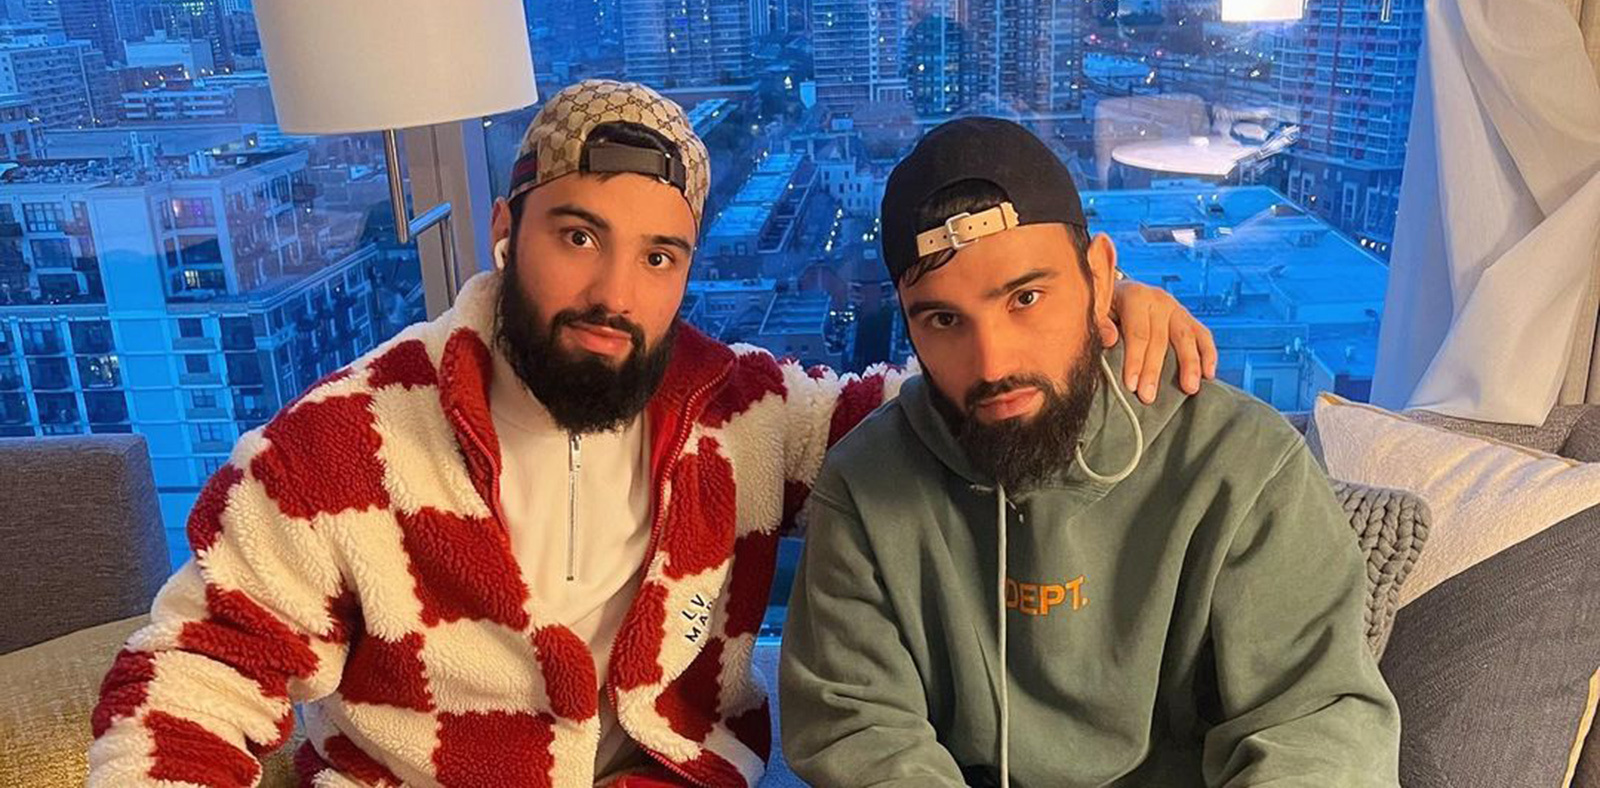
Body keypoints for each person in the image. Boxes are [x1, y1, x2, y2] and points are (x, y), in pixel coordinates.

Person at [88, 82, 1215, 788]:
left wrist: (1096, 315)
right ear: (505, 227)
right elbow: (193, 676)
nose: (613, 293)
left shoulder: (744, 417)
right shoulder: (341, 447)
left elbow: (952, 400)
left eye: (658, 256)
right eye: (578, 236)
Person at [779, 116, 1402, 788]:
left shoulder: (1244, 465)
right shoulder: (865, 486)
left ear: (1101, 278)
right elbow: (860, 729)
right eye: (944, 319)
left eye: (1026, 297)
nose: (993, 363)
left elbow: (1315, 728)